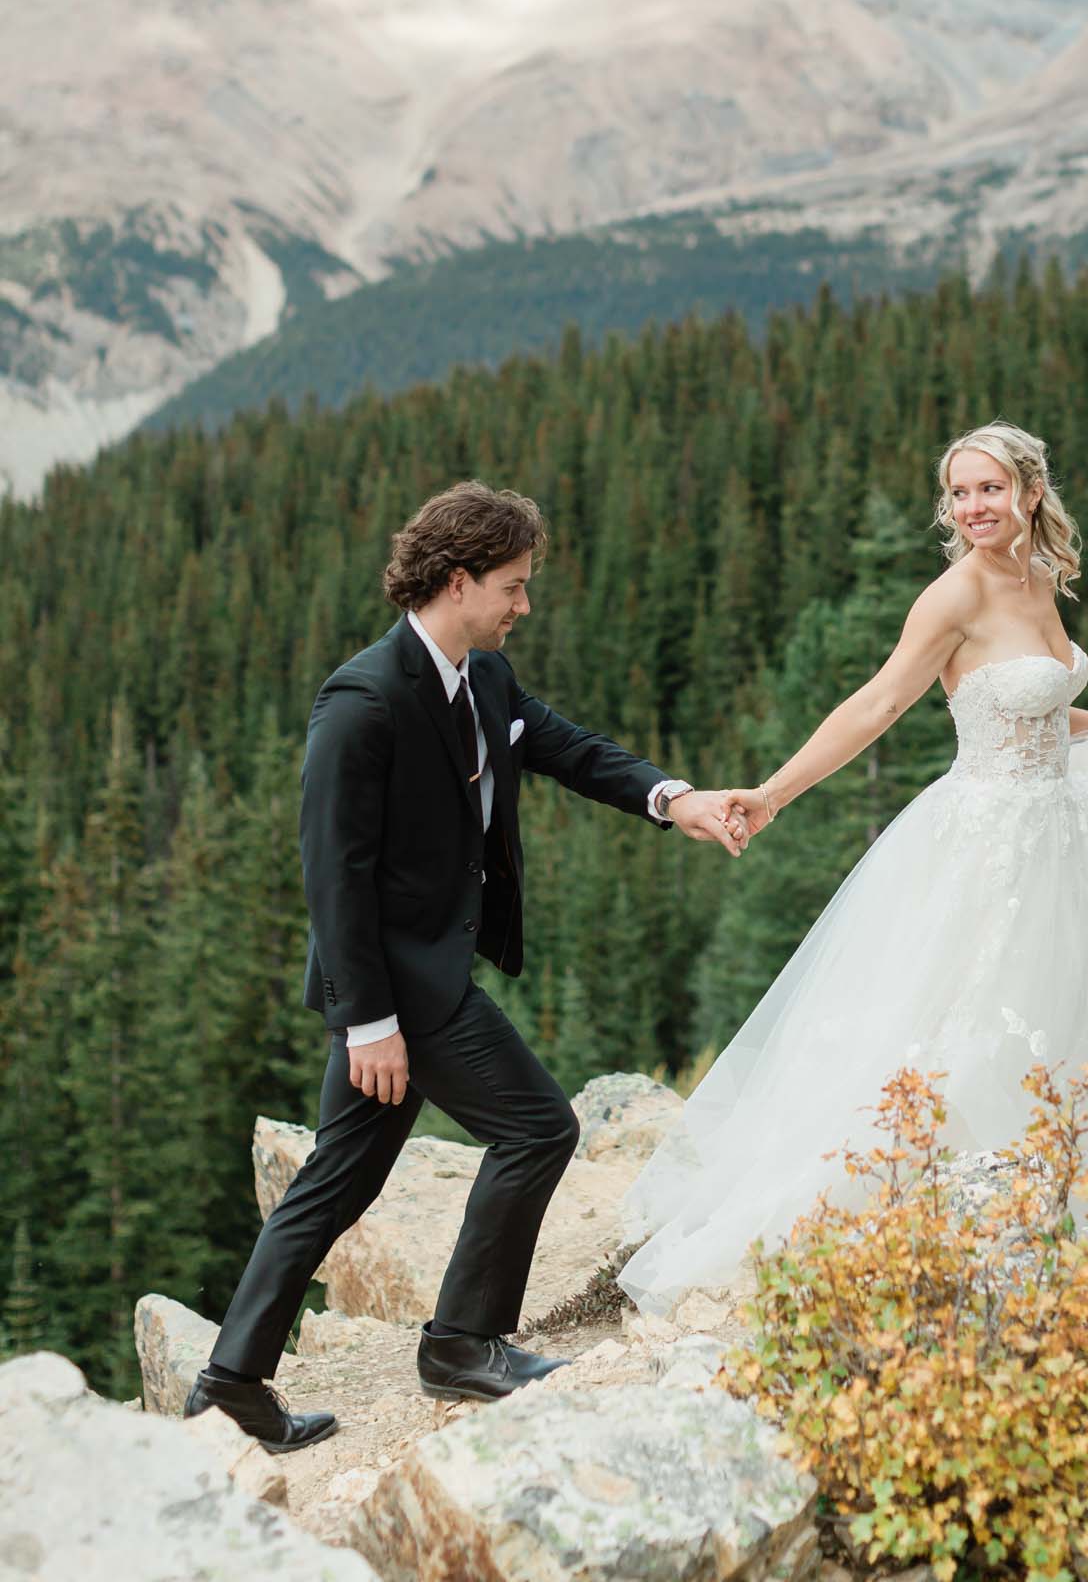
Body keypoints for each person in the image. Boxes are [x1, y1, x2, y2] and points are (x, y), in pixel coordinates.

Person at [618, 421, 1088, 1312]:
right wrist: (772, 793)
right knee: (972, 1026)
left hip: (1060, 835)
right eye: (959, 493)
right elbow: (881, 702)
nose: (972, 508)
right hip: (988, 843)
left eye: (988, 489)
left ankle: (1049, 1213)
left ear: (1029, 492)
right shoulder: (953, 593)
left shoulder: (1035, 579)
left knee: (1066, 1014)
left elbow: (1025, 702)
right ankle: (940, 1228)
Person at [185, 481, 749, 1451]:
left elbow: (565, 746)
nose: (523, 605)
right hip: (400, 988)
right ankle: (461, 1343)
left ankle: (232, 1376)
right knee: (537, 1127)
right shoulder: (362, 699)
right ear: (457, 581)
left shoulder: (480, 678)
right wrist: (368, 1022)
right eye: (513, 586)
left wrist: (672, 796)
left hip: (423, 975)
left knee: (335, 1178)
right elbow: (334, 874)